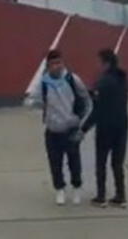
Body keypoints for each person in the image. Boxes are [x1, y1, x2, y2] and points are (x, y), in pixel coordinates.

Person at [25, 49, 93, 206]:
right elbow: (32, 100)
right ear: (48, 66)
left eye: (59, 62)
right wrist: (33, 103)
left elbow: (86, 99)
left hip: (71, 129)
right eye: (53, 64)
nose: (57, 66)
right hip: (52, 131)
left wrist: (81, 121)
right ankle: (60, 190)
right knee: (55, 163)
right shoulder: (43, 83)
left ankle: (76, 188)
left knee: (74, 162)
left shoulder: (72, 79)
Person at [81, 49, 128, 208]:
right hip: (122, 126)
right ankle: (120, 196)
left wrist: (84, 128)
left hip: (105, 127)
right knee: (117, 163)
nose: (98, 65)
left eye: (99, 62)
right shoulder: (123, 79)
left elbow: (98, 109)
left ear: (106, 63)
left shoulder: (104, 81)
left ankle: (101, 197)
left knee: (101, 162)